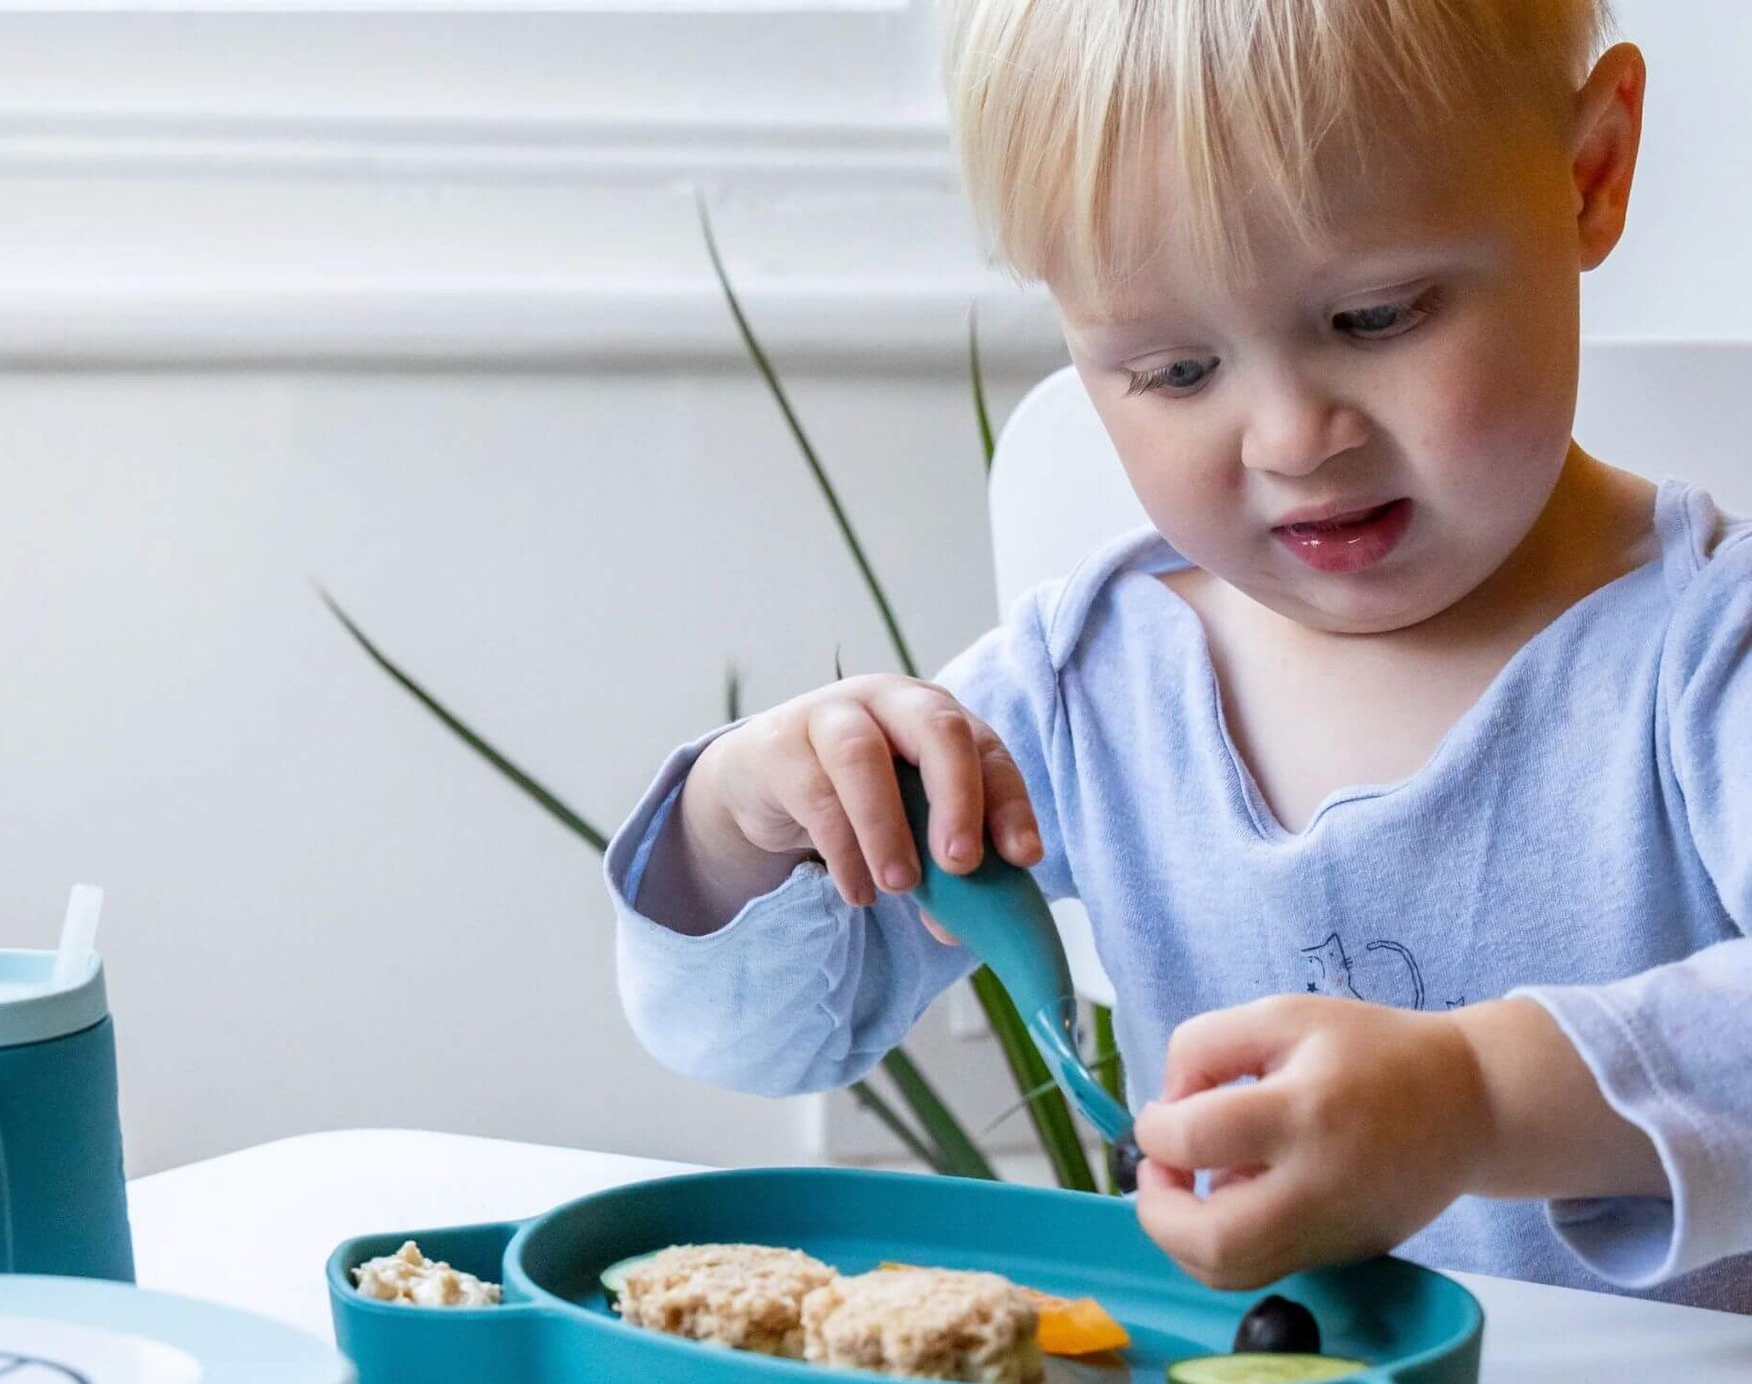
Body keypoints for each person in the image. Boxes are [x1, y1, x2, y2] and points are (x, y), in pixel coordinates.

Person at [605, 0, 1752, 1309]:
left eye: (1377, 316)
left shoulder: (1705, 652)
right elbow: (763, 1034)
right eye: (1172, 368)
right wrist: (739, 822)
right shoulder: (1081, 685)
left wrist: (1478, 1097)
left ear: (1588, 173)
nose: (1288, 438)